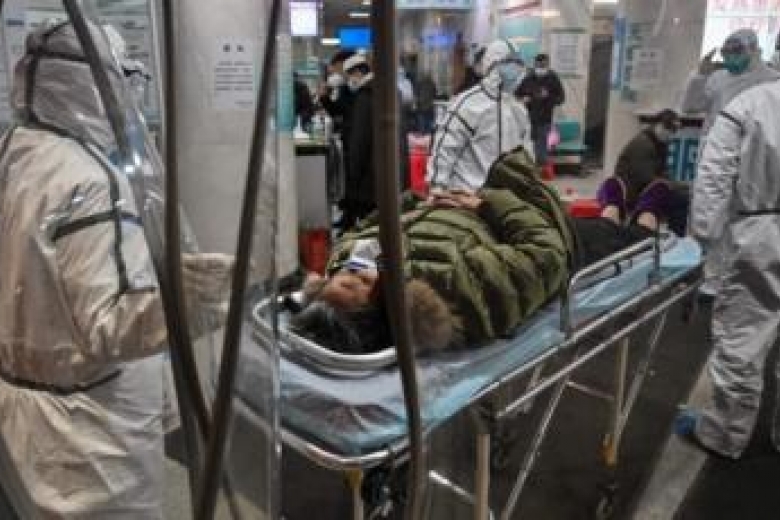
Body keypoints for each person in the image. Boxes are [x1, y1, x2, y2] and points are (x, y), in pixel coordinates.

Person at [0, 22, 232, 518]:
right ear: (90, 84)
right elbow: (110, 325)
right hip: (89, 439)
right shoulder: (88, 179)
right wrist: (192, 297)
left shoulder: (14, 152)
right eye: (124, 76)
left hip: (27, 414)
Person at [290, 147, 669, 354]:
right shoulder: (459, 291)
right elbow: (547, 253)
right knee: (615, 236)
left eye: (338, 277)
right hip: (551, 234)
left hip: (472, 212)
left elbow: (368, 228)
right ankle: (644, 219)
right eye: (356, 284)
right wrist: (488, 205)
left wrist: (419, 203)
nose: (351, 271)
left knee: (601, 221)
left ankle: (613, 207)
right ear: (383, 308)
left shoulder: (349, 260)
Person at [674, 77, 780, 459]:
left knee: (742, 339)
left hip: (761, 234)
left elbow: (713, 179)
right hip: (762, 229)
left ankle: (724, 434)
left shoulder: (750, 105)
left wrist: (702, 240)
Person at [426, 39, 534, 192]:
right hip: (468, 194)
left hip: (506, 198)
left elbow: (526, 154)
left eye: (518, 63)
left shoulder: (518, 110)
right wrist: (437, 186)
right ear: (491, 65)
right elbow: (445, 148)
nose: (515, 68)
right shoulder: (467, 104)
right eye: (508, 62)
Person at [597, 109, 685, 235]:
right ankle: (667, 233)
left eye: (674, 131)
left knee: (681, 194)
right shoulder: (643, 144)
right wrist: (674, 186)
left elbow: (663, 173)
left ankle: (673, 234)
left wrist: (678, 185)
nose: (671, 134)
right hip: (632, 193)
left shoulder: (660, 144)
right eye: (668, 129)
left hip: (641, 188)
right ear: (657, 125)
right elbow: (647, 178)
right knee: (678, 199)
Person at [680, 29, 779, 138]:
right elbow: (689, 107)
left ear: (753, 50)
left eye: (737, 50)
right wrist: (700, 77)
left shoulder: (772, 79)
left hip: (754, 144)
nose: (731, 56)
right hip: (716, 143)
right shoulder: (717, 78)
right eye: (726, 51)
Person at [341, 52, 377, 228]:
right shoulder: (388, 91)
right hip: (388, 177)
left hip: (368, 180)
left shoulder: (365, 96)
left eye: (349, 76)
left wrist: (353, 174)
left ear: (358, 72)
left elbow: (359, 141)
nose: (349, 81)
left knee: (369, 227)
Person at [516, 53, 566, 166]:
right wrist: (523, 99)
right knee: (528, 149)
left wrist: (548, 97)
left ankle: (541, 170)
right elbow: (517, 94)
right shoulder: (528, 78)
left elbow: (561, 98)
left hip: (545, 119)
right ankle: (530, 169)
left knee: (542, 151)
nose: (541, 68)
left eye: (543, 66)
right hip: (528, 119)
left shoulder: (553, 78)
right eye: (539, 66)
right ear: (535, 64)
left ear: (547, 65)